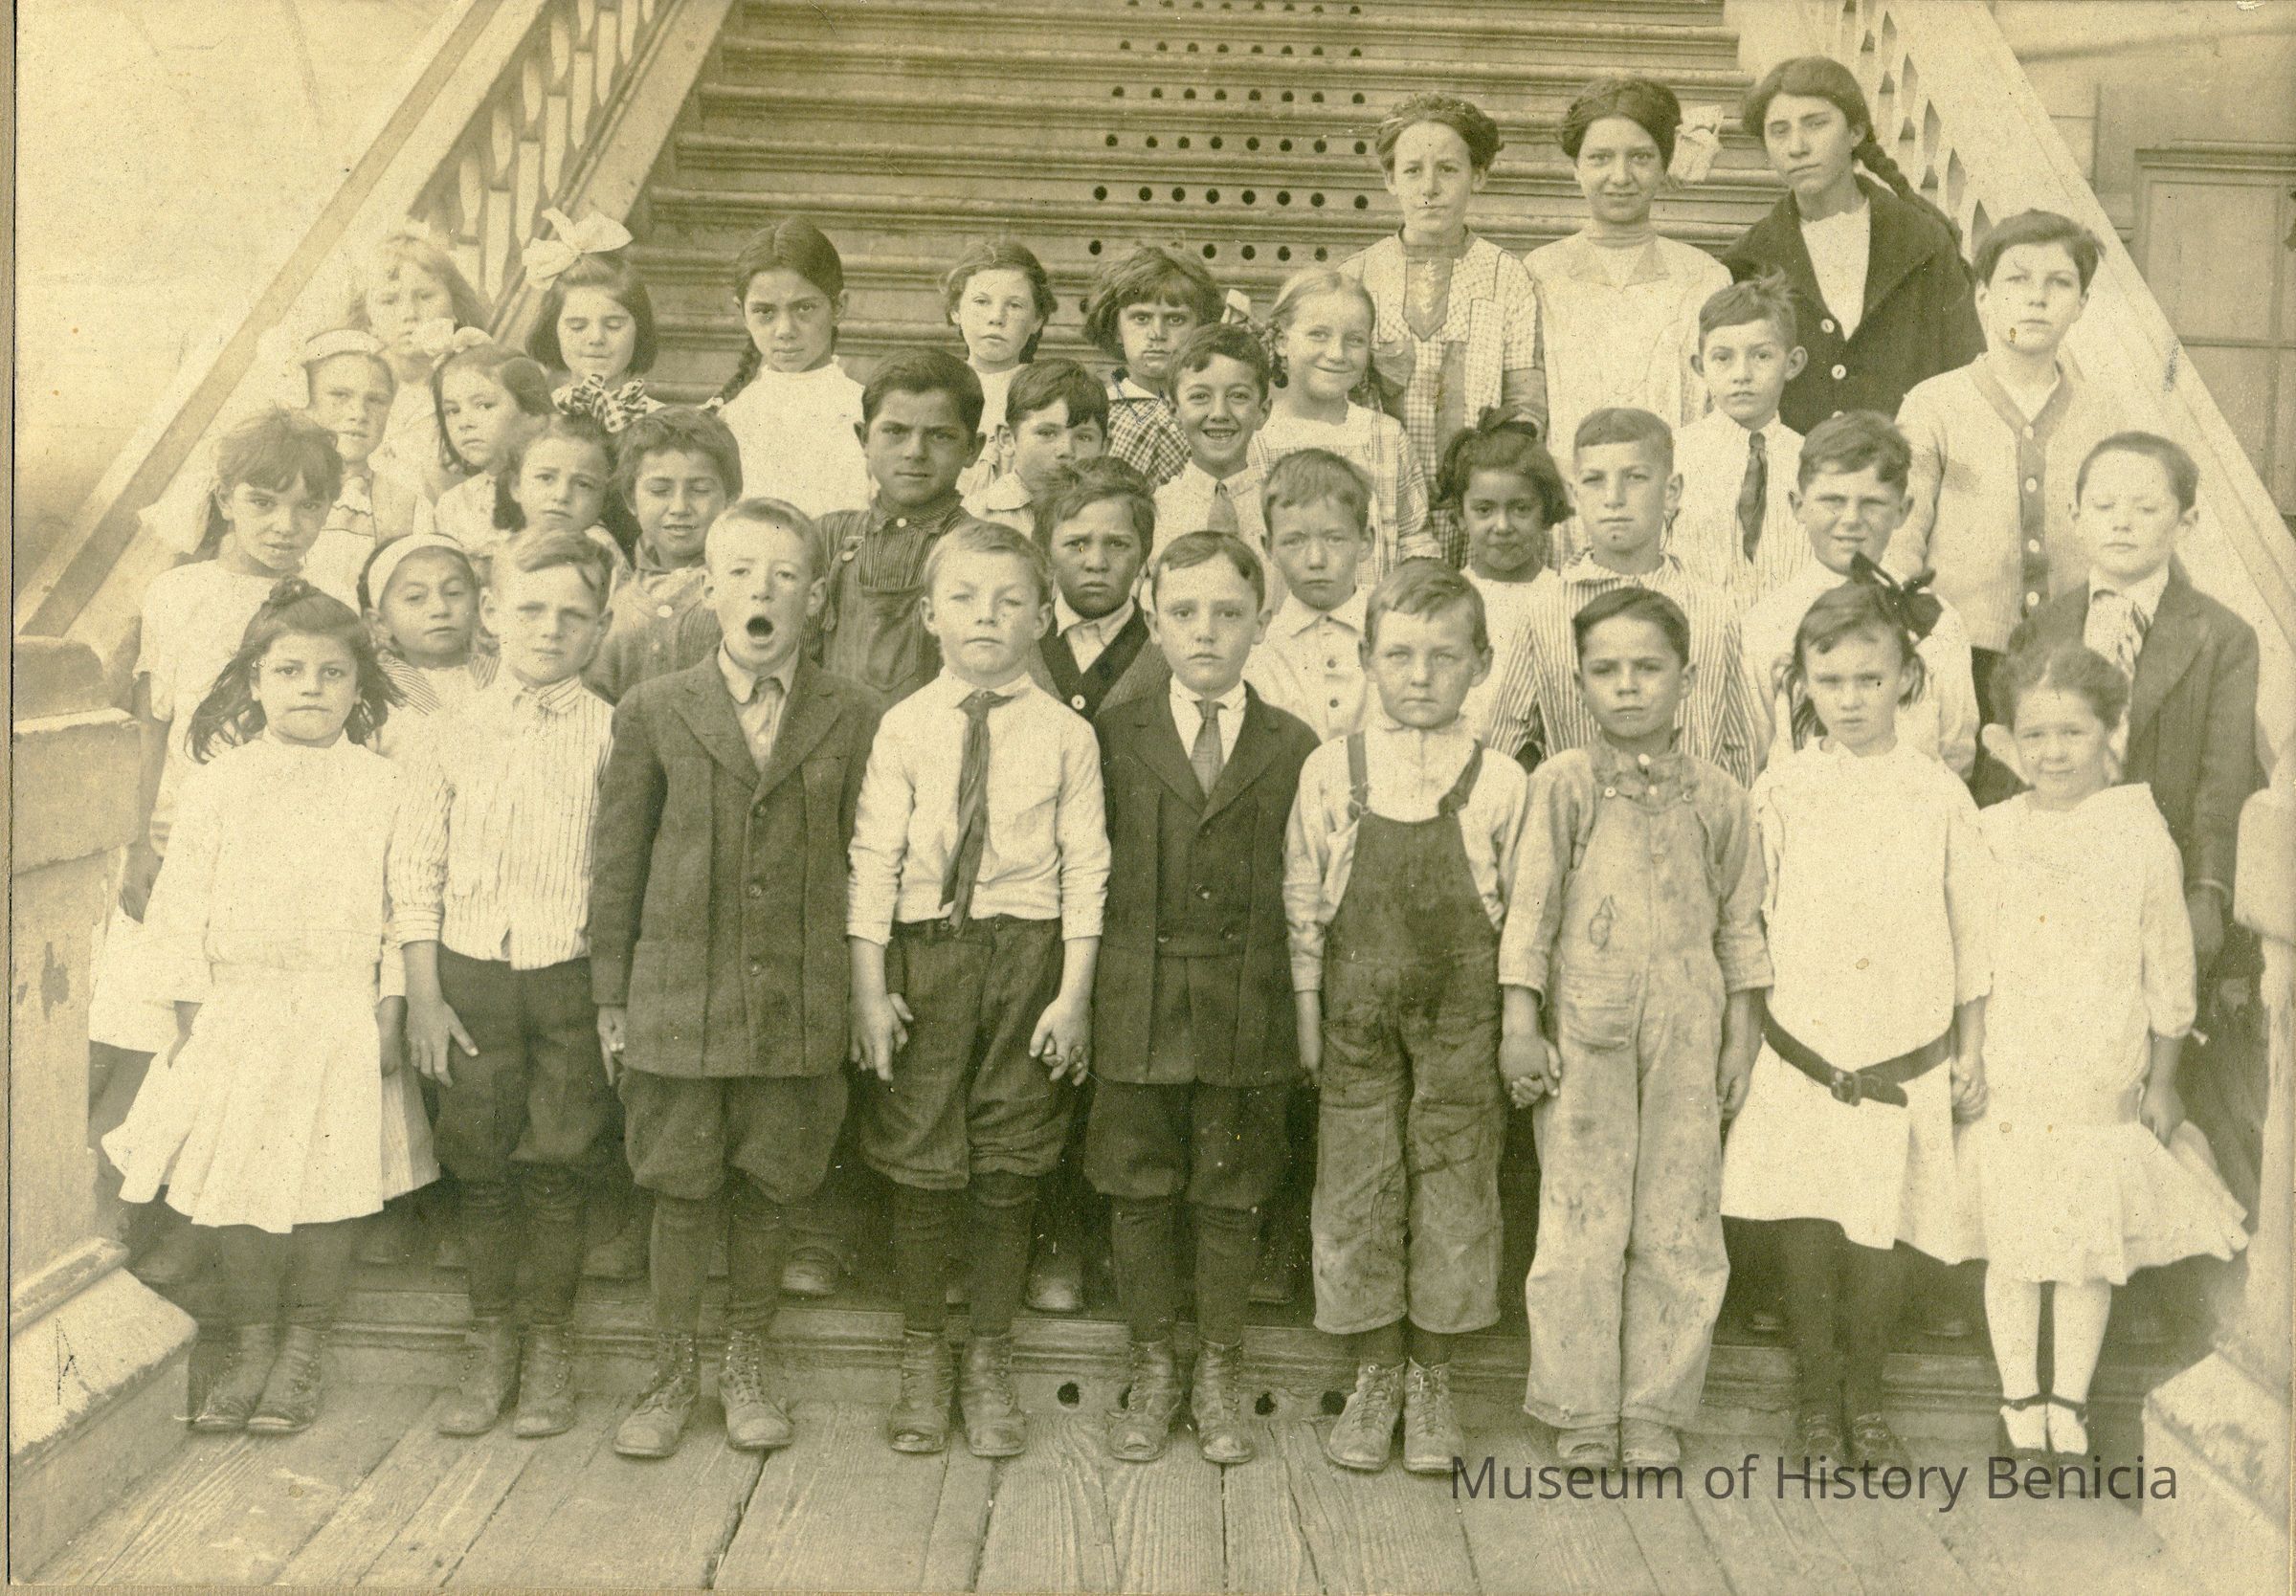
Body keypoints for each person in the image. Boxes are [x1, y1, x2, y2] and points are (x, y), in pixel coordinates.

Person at [102, 583, 436, 1434]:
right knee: (239, 1185)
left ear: (359, 687)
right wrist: (190, 1012)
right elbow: (183, 903)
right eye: (289, 670)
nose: (310, 688)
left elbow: (402, 907)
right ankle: (251, 1345)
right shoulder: (220, 783)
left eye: (332, 672)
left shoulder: (383, 785)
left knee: (329, 1183)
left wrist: (391, 1005)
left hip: (338, 1009)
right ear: (254, 680)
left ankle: (302, 1349)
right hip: (239, 1009)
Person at [590, 499, 883, 1459]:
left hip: (797, 993)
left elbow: (869, 859)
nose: (764, 591)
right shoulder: (653, 708)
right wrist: (612, 995)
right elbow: (618, 862)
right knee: (679, 1183)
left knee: (770, 1178)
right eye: (743, 573)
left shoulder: (854, 713)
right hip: (679, 994)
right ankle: (672, 1369)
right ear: (709, 590)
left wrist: (861, 989)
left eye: (786, 576)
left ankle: (748, 1360)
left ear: (817, 597)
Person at [848, 521, 1109, 1459]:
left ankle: (989, 1355)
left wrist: (1072, 996)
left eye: (1008, 601)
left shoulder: (1067, 735)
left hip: (1027, 959)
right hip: (927, 958)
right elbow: (872, 859)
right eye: (963, 598)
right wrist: (869, 988)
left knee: (1008, 1156)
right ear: (928, 614)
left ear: (1042, 617)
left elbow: (1087, 868)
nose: (985, 617)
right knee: (921, 1155)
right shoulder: (904, 726)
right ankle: (924, 1353)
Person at [1719, 582, 1991, 1468]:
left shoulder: (1938, 793)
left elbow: (1971, 928)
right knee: (1807, 1220)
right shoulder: (1783, 788)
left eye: (1869, 680)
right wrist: (1747, 1038)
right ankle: (1814, 1402)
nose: (1849, 699)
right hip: (1806, 1047)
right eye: (1829, 681)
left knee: (1882, 1227)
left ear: (1906, 678)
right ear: (1800, 683)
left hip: (1901, 1050)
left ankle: (1865, 1399)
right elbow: (1752, 922)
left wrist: (1969, 1048)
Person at [1505, 587, 1769, 1471]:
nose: (1627, 686)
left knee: (1679, 1218)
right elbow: (1529, 915)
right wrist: (1519, 1020)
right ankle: (1580, 1405)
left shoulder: (1721, 798)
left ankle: (1654, 1407)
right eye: (1606, 670)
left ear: (1685, 679)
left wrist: (1738, 1038)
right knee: (1578, 1217)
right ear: (1580, 682)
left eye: (1648, 668)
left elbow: (1741, 927)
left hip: (1690, 1031)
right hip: (1586, 1030)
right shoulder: (1562, 786)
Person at [1284, 560, 1536, 1475]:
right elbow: (1302, 899)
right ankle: (1374, 1373)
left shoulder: (1499, 780)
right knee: (1355, 1183)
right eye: (1398, 655)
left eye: (1443, 656)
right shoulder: (1332, 769)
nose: (1420, 675)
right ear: (1365, 660)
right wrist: (1307, 1008)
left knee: (1457, 1183)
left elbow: (1524, 917)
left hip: (1464, 1016)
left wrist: (1516, 1020)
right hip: (1354, 1014)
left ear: (1481, 664)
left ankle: (1432, 1379)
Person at [1967, 639, 2246, 1458]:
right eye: (2034, 735)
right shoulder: (1991, 833)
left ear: (2108, 734)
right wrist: (1969, 1054)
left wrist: (2161, 1081)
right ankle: (2018, 1401)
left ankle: (2068, 1403)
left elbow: (2167, 967)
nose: (2052, 753)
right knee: (2016, 1244)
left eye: (2072, 733)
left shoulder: (2137, 836)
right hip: (2016, 1066)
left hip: (2098, 1067)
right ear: (2007, 742)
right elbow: (1972, 956)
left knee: (2083, 1247)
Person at [1090, 531, 1320, 1466]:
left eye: (1228, 613)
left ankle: (1218, 1367)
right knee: (1137, 1186)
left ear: (1261, 622)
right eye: (1182, 613)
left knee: (1231, 1190)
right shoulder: (1114, 736)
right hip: (1136, 997)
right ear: (1152, 622)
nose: (1205, 632)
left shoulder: (1293, 744)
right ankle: (1152, 1365)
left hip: (1245, 999)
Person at [392, 533, 619, 1442]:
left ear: (600, 627)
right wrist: (425, 995)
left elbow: (618, 874)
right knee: (481, 1162)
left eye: (573, 614)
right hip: (469, 979)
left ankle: (549, 1343)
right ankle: (490, 1338)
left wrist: (610, 997)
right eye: (530, 608)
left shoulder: (613, 733)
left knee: (558, 1163)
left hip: (569, 979)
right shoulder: (446, 732)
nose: (549, 628)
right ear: (492, 614)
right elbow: (416, 870)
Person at [91, 410, 344, 1078]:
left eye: (308, 506)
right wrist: (137, 845)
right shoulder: (178, 594)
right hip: (177, 840)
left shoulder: (326, 603)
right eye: (263, 503)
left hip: (276, 854)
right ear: (226, 500)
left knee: (234, 1045)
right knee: (130, 1032)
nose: (285, 525)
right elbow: (153, 724)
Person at [2009, 433, 2261, 979]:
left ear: (2186, 522)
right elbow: (2014, 766)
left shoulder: (2223, 637)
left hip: (2161, 881)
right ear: (2076, 516)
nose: (2122, 523)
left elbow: (2224, 778)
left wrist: (2207, 890)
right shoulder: (2041, 630)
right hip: (2053, 876)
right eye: (2104, 506)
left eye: (2146, 509)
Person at [1890, 211, 2126, 793]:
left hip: (2071, 665)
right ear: (1983, 298)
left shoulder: (2105, 415)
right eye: (2018, 280)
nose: (2037, 298)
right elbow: (1901, 538)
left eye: (2059, 283)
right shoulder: (1934, 405)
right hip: (1963, 662)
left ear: (2082, 304)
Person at [1018, 457, 1166, 1315]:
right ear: (1046, 552)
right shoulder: (1020, 645)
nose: (1097, 560)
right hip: (1039, 897)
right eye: (1076, 543)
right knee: (1035, 1072)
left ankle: (1101, 1246)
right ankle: (1045, 1245)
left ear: (1144, 555)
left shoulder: (1163, 651)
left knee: (1113, 1080)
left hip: (1137, 896)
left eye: (1116, 544)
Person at [1482, 409, 1760, 783]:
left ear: (1671, 492)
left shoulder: (1713, 608)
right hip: (1586, 814)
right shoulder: (1545, 608)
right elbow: (1508, 742)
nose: (1614, 499)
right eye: (1595, 481)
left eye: (1635, 478)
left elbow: (1739, 749)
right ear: (1575, 495)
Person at [1721, 56, 1982, 433]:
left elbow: (1965, 371)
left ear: (1855, 132)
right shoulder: (1749, 259)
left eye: (1816, 124)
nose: (1797, 147)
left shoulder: (1924, 242)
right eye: (1779, 131)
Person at [1344, 93, 1545, 564]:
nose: (1429, 188)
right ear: (1389, 179)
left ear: (1479, 175)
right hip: (1378, 505)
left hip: (1474, 511)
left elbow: (1525, 402)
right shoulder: (1357, 276)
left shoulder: (1507, 276)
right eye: (1413, 171)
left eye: (1449, 170)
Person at [1527, 76, 1730, 513]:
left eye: (1640, 157)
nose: (1620, 177)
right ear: (1575, 167)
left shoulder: (1704, 277)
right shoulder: (1540, 273)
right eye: (1600, 158)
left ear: (1664, 164)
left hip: (1676, 502)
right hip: (1569, 501)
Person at [1740, 411, 1978, 777]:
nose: (1851, 519)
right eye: (1833, 501)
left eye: (1872, 503)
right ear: (1798, 506)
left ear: (1902, 510)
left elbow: (1956, 753)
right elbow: (1754, 754)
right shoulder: (1766, 624)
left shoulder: (1935, 621)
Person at [817, 349, 998, 705]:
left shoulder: (985, 550)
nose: (915, 451)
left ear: (973, 449)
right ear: (863, 438)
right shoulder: (827, 537)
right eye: (895, 431)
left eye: (940, 436)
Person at [1248, 268, 1435, 583]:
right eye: (1318, 335)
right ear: (1281, 341)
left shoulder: (1387, 437)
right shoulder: (1256, 440)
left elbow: (1415, 540)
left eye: (1355, 340)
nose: (1337, 354)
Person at [1668, 274, 1811, 614]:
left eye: (1761, 356)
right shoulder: (1673, 456)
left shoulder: (1814, 461)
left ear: (1792, 363)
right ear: (1699, 366)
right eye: (1723, 358)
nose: (1742, 374)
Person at [712, 218, 871, 519]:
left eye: (804, 307)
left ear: (839, 306)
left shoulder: (867, 411)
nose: (785, 330)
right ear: (742, 313)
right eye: (764, 312)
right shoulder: (730, 419)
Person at [585, 406, 742, 700]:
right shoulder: (616, 603)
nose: (680, 507)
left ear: (730, 497)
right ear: (631, 499)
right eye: (659, 491)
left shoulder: (743, 593)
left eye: (700, 490)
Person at [1437, 409, 1570, 750]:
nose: (1503, 526)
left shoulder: (1563, 598)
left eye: (1521, 508)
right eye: (1484, 510)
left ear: (1546, 512)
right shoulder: (1446, 599)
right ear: (1460, 515)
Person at [347, 224, 491, 501]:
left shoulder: (478, 381)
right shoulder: (359, 391)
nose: (409, 314)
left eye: (425, 297)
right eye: (389, 301)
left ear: (455, 307)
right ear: (368, 321)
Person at [1244, 450, 1375, 742]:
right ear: (1269, 548)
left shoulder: (1391, 632)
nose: (1316, 560)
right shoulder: (1262, 648)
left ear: (1365, 541)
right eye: (1295, 541)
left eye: (1334, 538)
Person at [293, 330, 434, 604]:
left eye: (376, 400)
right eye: (340, 395)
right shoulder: (272, 488)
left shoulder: (410, 506)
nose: (358, 414)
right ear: (306, 402)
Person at [1082, 245, 1223, 489]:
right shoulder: (1101, 413)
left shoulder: (1214, 411)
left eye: (1175, 319)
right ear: (1116, 329)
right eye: (1141, 318)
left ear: (1200, 329)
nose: (1157, 333)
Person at [359, 534, 496, 762]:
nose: (440, 608)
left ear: (478, 606)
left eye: (454, 593)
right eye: (415, 597)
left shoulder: (504, 676)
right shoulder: (373, 691)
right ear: (379, 623)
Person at [943, 238, 1058, 494]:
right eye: (981, 301)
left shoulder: (1047, 395)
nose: (996, 318)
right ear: (956, 311)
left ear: (1037, 320)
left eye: (1014, 305)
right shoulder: (936, 387)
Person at [1151, 323, 1276, 560]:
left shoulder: (1283, 512)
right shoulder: (1153, 512)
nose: (1219, 413)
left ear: (1263, 411)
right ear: (1173, 410)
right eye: (1200, 396)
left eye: (1238, 396)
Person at [523, 210, 659, 410]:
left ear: (640, 330)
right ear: (552, 330)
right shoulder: (539, 418)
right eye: (577, 326)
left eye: (614, 325)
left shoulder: (664, 422)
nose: (596, 338)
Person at [431, 343, 554, 552]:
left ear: (531, 411)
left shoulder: (557, 488)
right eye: (453, 411)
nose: (464, 423)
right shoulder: (453, 505)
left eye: (484, 406)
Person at [488, 402, 638, 576]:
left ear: (605, 497)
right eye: (546, 478)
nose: (561, 495)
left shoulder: (598, 551)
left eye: (583, 484)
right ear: (516, 487)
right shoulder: (508, 543)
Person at [965, 359, 1108, 536]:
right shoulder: (971, 518)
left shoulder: (1117, 518)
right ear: (1007, 439)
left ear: (1105, 448)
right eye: (1047, 433)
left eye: (1084, 437)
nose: (1066, 450)